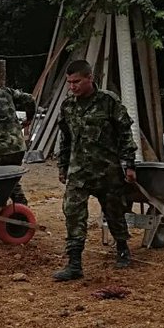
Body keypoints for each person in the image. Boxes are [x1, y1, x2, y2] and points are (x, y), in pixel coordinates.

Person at [54, 59, 136, 281]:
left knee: (114, 212)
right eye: (69, 83)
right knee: (72, 213)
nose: (73, 87)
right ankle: (74, 264)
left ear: (90, 78)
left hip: (107, 171)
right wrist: (62, 166)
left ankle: (122, 248)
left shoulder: (108, 101)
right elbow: (66, 139)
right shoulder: (68, 105)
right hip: (78, 172)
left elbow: (125, 134)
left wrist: (129, 164)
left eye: (77, 81)